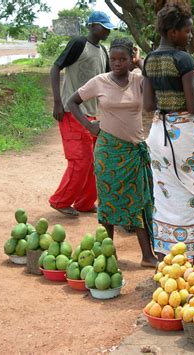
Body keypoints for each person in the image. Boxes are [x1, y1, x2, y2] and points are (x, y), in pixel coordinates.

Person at [142, 4, 194, 262]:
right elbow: (192, 106)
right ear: (172, 31)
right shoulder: (184, 60)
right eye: (187, 31)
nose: (191, 36)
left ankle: (169, 250)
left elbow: (147, 105)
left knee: (166, 192)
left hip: (158, 133)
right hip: (182, 135)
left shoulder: (149, 60)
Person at [67, 39, 157, 267]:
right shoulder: (99, 82)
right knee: (107, 200)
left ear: (130, 59)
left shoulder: (139, 79)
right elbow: (72, 102)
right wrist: (89, 126)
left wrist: (140, 62)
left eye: (123, 59)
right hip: (108, 151)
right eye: (113, 59)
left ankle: (147, 256)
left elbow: (153, 83)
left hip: (133, 151)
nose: (117, 63)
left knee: (138, 201)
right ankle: (108, 253)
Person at [49, 11, 115, 217]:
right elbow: (55, 67)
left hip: (93, 114)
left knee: (95, 161)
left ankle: (85, 202)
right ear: (93, 26)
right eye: (104, 26)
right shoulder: (79, 43)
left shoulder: (103, 50)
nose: (107, 30)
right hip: (72, 112)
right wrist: (58, 102)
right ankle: (60, 200)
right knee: (80, 161)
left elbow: (107, 80)